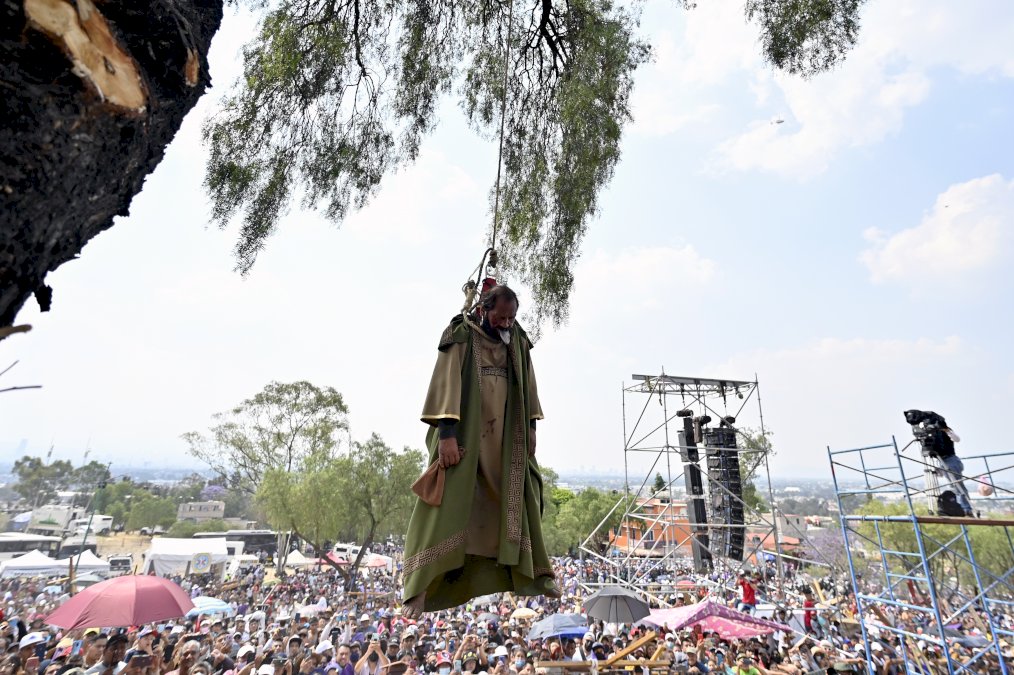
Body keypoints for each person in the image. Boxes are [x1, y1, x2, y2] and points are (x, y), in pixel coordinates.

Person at [402, 285, 556, 618]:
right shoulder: (460, 334)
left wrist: (531, 428)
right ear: (485, 310)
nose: (506, 323)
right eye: (501, 317)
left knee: (521, 497)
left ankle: (536, 574)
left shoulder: (517, 338)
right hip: (465, 436)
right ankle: (420, 586)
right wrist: (447, 435)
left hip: (506, 439)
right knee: (446, 504)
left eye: (511, 317)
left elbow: (529, 386)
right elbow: (445, 382)